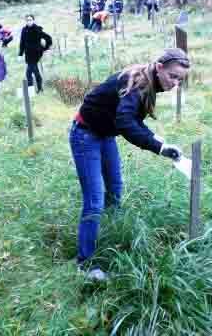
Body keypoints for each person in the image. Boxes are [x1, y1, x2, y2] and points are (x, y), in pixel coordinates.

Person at [69, 48, 190, 279]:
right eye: (172, 76)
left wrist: (157, 140)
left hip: (104, 134)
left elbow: (133, 119)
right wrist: (159, 147)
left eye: (180, 80)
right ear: (159, 67)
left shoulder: (149, 82)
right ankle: (85, 263)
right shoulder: (136, 82)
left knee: (114, 189)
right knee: (94, 200)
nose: (174, 83)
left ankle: (111, 234)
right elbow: (125, 122)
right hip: (85, 135)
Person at [18, 14, 52, 93]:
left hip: (36, 53)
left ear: (33, 20)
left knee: (29, 73)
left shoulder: (37, 29)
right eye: (27, 20)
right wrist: (20, 54)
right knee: (34, 72)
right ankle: (39, 89)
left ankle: (31, 90)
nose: (29, 21)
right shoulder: (24, 30)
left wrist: (45, 48)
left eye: (30, 20)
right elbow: (22, 42)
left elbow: (48, 38)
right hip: (28, 53)